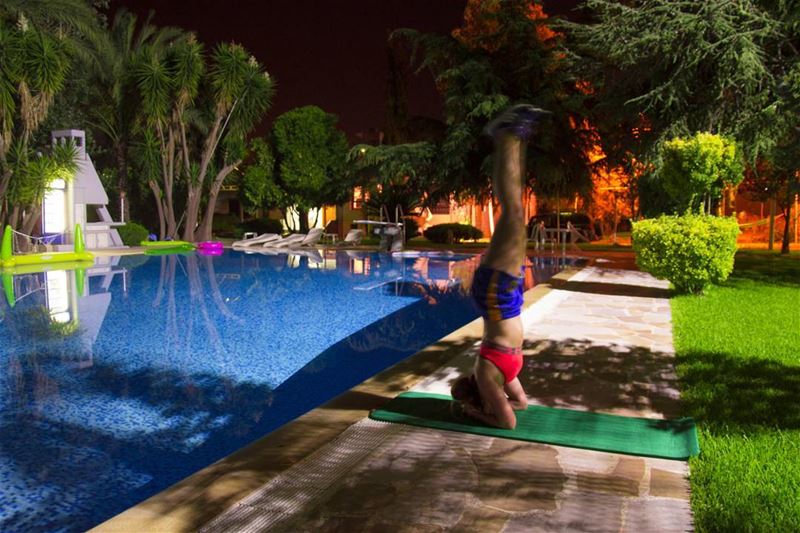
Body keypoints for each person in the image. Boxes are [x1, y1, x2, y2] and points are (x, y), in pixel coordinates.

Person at [451, 104, 550, 430]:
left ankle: (506, 135)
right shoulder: (500, 377)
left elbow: (507, 423)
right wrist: (497, 405)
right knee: (516, 211)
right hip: (505, 300)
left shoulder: (485, 374)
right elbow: (520, 405)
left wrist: (474, 414)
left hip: (497, 297)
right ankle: (513, 136)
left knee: (513, 213)